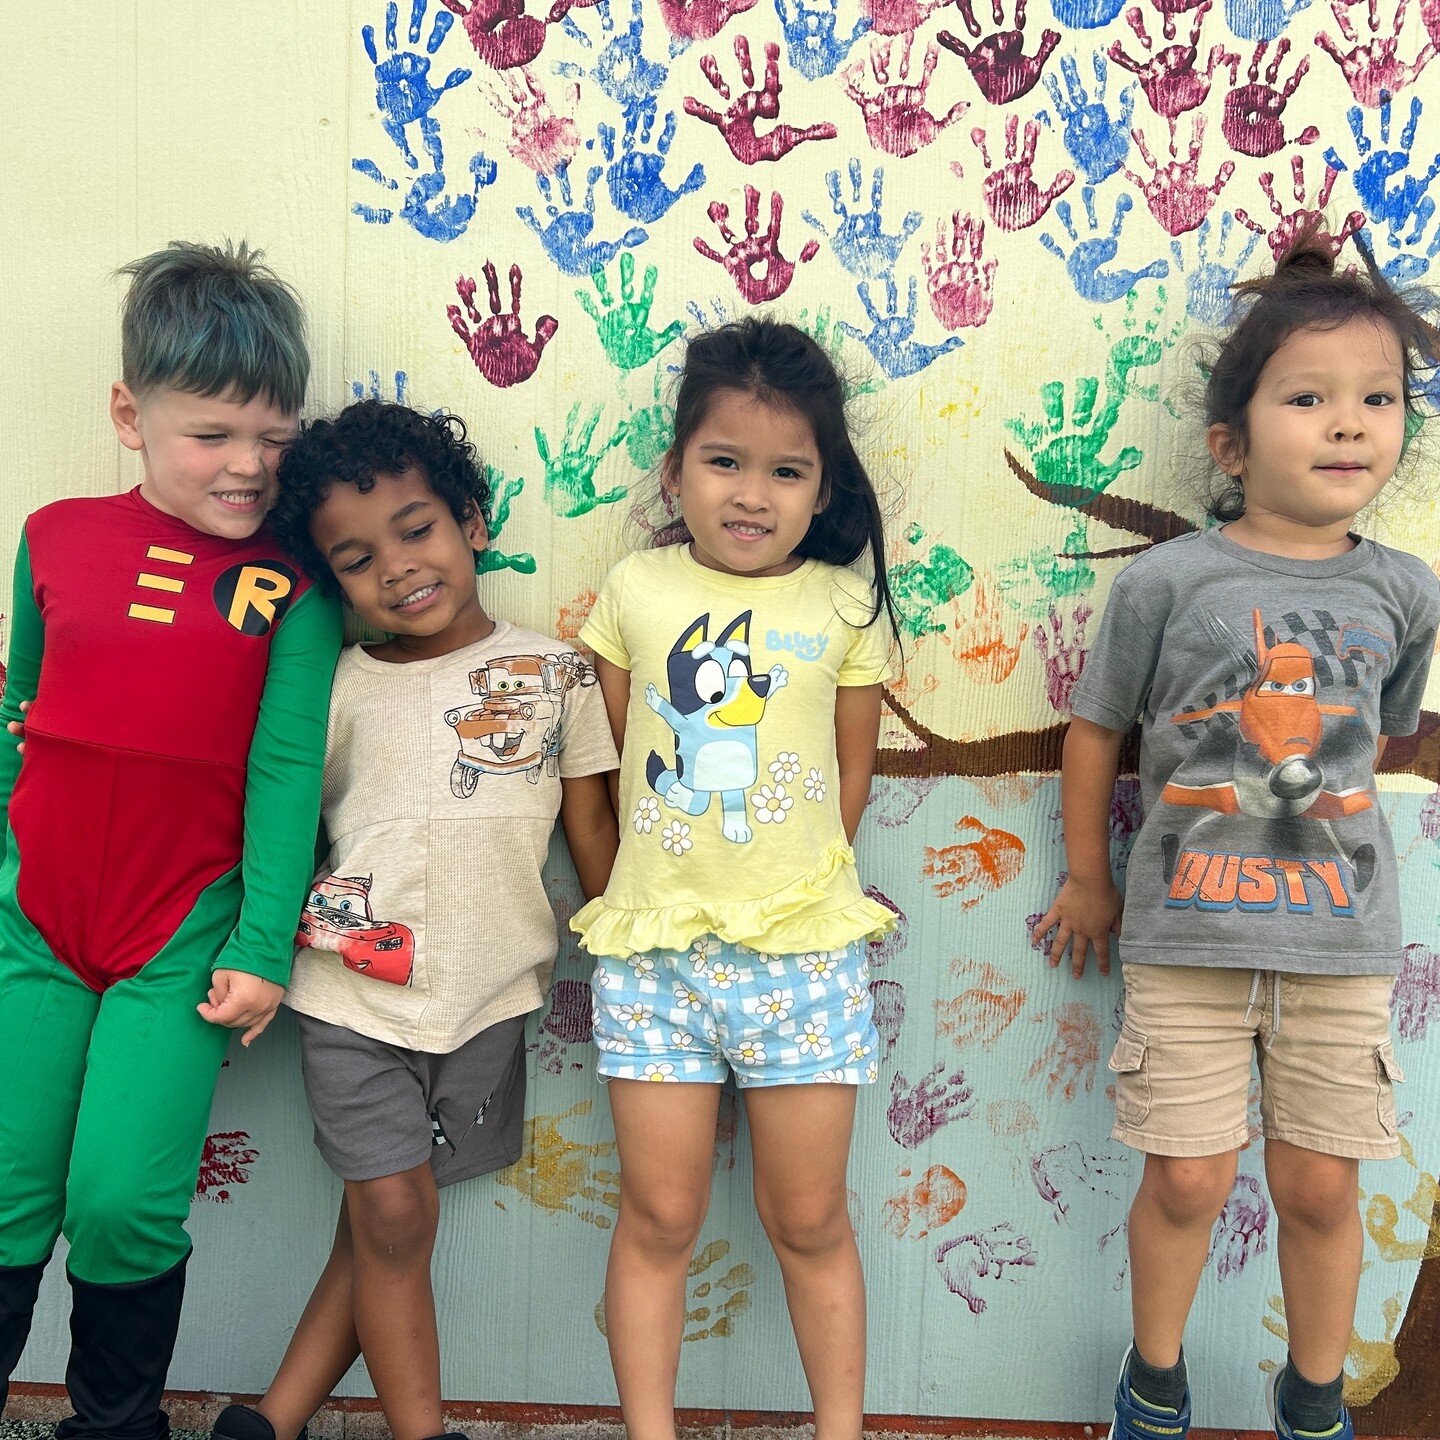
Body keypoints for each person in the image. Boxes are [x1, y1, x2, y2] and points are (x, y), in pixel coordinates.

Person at [1037, 233, 1440, 1440]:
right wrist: (1088, 878)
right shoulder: (1167, 584)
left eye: (1379, 400)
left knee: (1321, 1187)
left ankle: (1313, 1403)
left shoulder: (1407, 588)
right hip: (1183, 942)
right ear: (1232, 443)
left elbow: (1392, 739)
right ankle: (1153, 1385)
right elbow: (1096, 733)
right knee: (1189, 1179)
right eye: (1309, 398)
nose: (1348, 424)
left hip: (1341, 952)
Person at [210, 399, 618, 1440]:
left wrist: (638, 950)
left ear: (472, 520)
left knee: (384, 1228)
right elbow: (285, 832)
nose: (395, 567)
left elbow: (592, 840)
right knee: (394, 1212)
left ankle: (271, 1421)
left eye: (416, 528)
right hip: (352, 995)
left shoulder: (559, 674)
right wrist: (248, 955)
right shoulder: (335, 685)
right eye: (355, 557)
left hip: (488, 1000)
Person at [0, 241, 340, 1439]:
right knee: (5, 1189)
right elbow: (19, 717)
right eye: (213, 434)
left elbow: (287, 773)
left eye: (275, 436)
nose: (249, 465)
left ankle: (115, 1426)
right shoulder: (51, 537)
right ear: (128, 416)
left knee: (118, 1203)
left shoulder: (295, 587)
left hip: (181, 942)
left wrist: (259, 944)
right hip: (34, 925)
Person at [571, 317, 900, 1440]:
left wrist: (795, 884)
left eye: (786, 470)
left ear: (820, 488)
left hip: (803, 957)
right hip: (654, 958)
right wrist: (631, 893)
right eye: (724, 461)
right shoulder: (634, 590)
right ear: (676, 471)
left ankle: (840, 1431)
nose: (751, 494)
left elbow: (847, 783)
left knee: (807, 1219)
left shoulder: (842, 606)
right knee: (658, 1215)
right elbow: (611, 771)